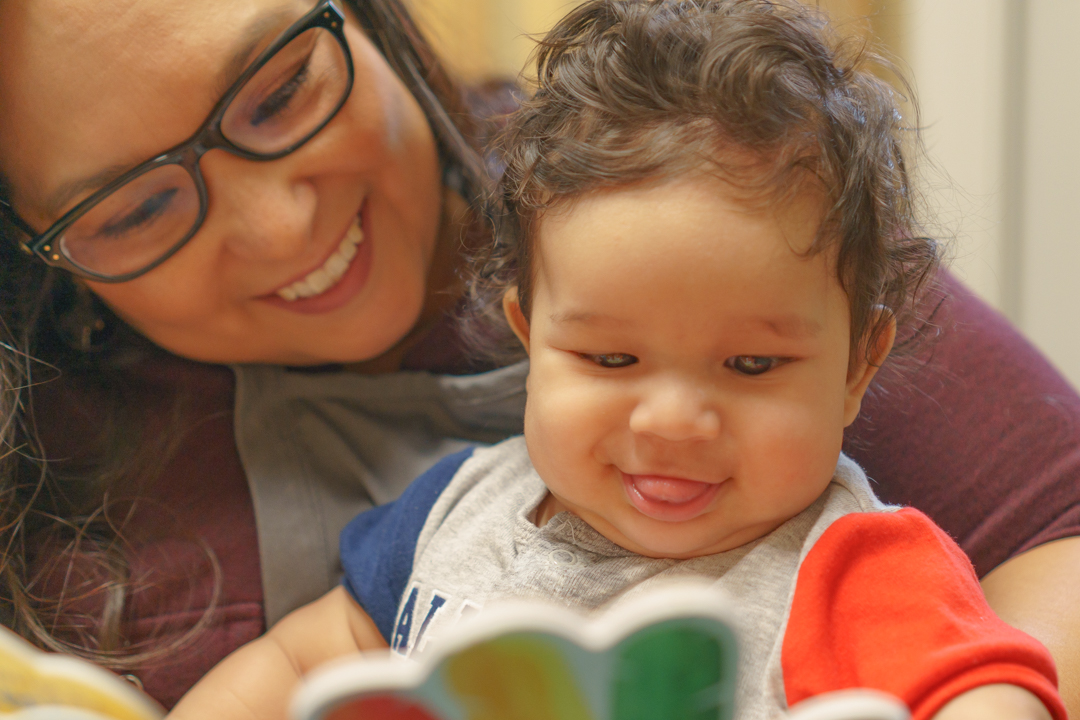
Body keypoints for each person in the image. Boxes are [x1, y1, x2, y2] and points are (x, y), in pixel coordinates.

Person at [0, 0, 1077, 713]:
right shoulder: (460, 510)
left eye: (280, 92)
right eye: (135, 207)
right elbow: (301, 660)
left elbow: (992, 675)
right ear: (529, 338)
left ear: (862, 365)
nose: (670, 419)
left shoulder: (853, 561)